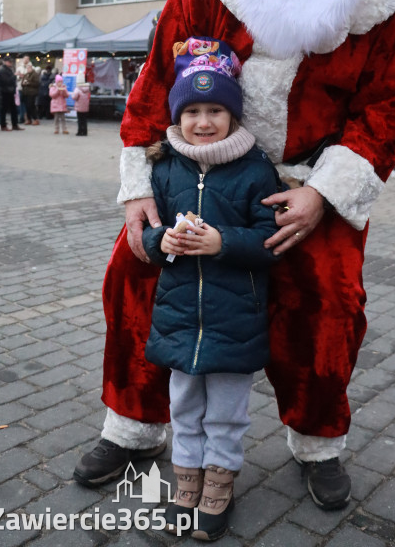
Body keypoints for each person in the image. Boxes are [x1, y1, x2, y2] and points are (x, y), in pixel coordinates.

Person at [74, 0, 395, 512]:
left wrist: (324, 194)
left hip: (305, 183)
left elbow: (390, 102)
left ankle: (317, 438)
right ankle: (135, 427)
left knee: (331, 304)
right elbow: (162, 68)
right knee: (136, 275)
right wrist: (139, 179)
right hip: (194, 167)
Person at [137, 38, 279, 539]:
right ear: (178, 114)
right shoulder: (165, 166)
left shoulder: (255, 168)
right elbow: (144, 239)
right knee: (184, 407)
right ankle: (187, 481)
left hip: (234, 318)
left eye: (215, 109)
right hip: (179, 316)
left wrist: (223, 241)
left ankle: (219, 485)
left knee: (226, 412)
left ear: (233, 114)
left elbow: (271, 240)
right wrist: (163, 240)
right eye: (192, 110)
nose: (202, 121)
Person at [0, 56, 25, 132]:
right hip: (5, 91)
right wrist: (14, 75)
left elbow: (12, 80)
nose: (11, 63)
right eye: (9, 62)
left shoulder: (9, 69)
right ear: (5, 62)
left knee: (14, 109)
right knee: (4, 109)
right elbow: (6, 81)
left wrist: (17, 76)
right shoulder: (3, 70)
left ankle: (15, 125)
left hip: (11, 91)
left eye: (11, 62)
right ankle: (3, 125)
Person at [16, 54, 32, 125]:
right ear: (23, 59)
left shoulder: (31, 67)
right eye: (25, 59)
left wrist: (25, 77)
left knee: (26, 104)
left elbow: (32, 77)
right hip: (20, 87)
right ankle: (21, 117)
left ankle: (25, 118)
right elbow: (16, 77)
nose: (26, 60)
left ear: (29, 60)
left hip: (27, 88)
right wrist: (19, 76)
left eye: (27, 59)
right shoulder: (19, 67)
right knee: (20, 104)